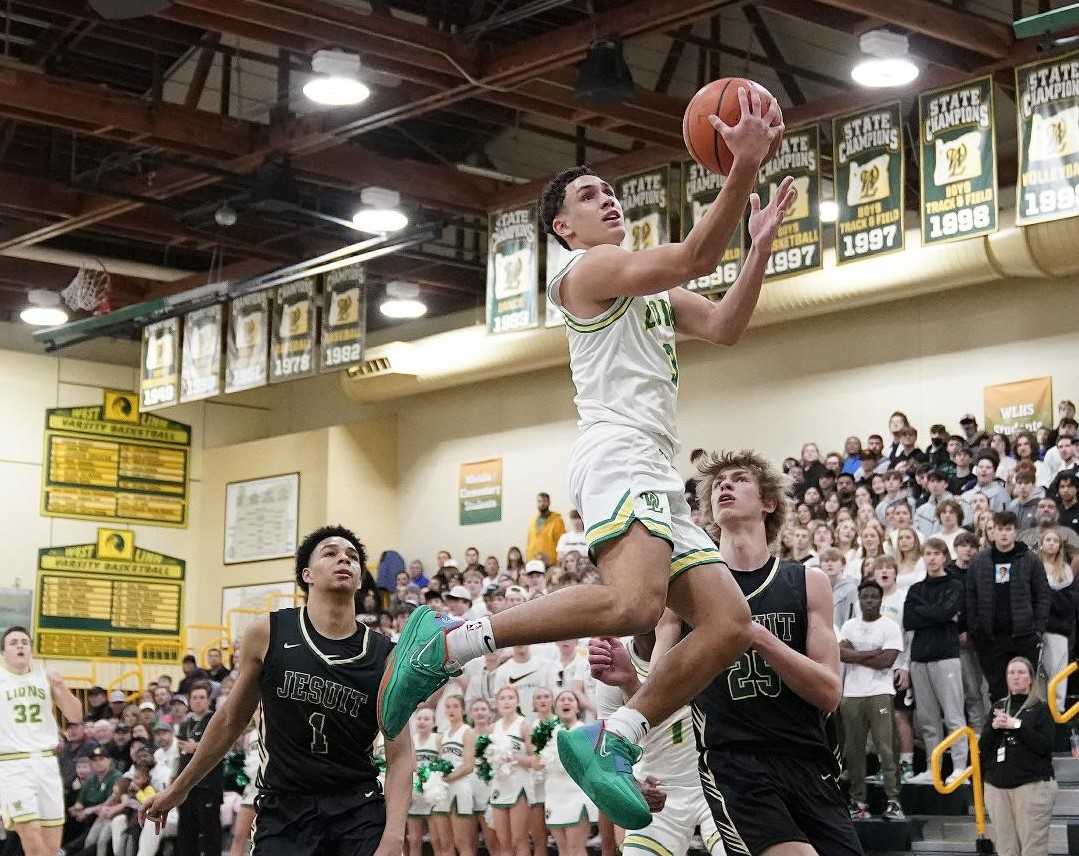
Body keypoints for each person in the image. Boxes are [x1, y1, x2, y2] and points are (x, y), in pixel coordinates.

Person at [377, 87, 795, 830]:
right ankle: (451, 641)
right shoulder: (588, 272)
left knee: (729, 622)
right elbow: (698, 251)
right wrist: (742, 167)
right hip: (616, 454)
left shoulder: (649, 292)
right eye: (588, 195)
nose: (607, 200)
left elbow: (727, 323)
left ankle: (613, 734)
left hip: (655, 467)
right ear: (562, 227)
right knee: (632, 604)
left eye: (610, 191)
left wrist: (757, 247)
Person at [141, 525, 413, 856]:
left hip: (357, 809)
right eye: (331, 553)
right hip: (284, 810)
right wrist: (178, 789)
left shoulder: (385, 654)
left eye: (352, 557)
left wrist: (394, 837)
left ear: (358, 579)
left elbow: (400, 753)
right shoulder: (267, 633)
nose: (344, 558)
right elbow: (230, 721)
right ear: (307, 574)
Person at [674, 450, 864, 850]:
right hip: (734, 764)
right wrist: (627, 680)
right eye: (719, 482)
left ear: (769, 502)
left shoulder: (808, 582)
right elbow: (661, 687)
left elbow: (829, 692)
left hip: (809, 760)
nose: (725, 484)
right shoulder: (688, 591)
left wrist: (757, 636)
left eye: (739, 478)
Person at [589, 620, 723, 856]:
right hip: (657, 788)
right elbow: (608, 749)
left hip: (717, 783)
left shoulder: (705, 645)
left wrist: (632, 683)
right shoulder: (615, 661)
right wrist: (633, 786)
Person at [0, 626, 83, 856]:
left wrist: (61, 688)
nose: (20, 646)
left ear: (31, 650)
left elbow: (76, 716)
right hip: (11, 765)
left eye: (24, 642)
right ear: (3, 652)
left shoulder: (45, 677)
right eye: (13, 642)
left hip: (46, 764)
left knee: (51, 846)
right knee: (31, 834)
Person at [965, 512, 1051, 702]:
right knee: (997, 692)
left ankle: (1027, 730)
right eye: (999, 529)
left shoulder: (1030, 559)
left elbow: (1043, 595)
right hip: (991, 639)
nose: (1004, 534)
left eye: (1008, 529)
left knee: (1029, 692)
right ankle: (1002, 731)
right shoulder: (979, 561)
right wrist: (975, 629)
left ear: (1015, 532)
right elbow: (970, 598)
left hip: (1025, 637)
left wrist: (1037, 628)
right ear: (992, 532)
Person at [903, 539, 967, 785]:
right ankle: (933, 768)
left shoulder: (955, 585)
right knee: (928, 720)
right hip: (919, 658)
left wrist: (927, 613)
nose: (931, 558)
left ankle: (960, 766)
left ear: (945, 557)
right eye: (927, 554)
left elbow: (944, 613)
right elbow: (909, 620)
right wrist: (937, 614)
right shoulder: (915, 589)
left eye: (936, 554)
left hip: (946, 656)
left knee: (953, 715)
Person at [840, 580, 906, 822]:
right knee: (854, 751)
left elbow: (886, 661)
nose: (869, 600)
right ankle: (858, 802)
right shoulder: (848, 625)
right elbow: (840, 653)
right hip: (852, 694)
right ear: (859, 599)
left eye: (873, 597)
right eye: (865, 596)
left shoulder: (889, 626)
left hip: (880, 691)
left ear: (880, 600)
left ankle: (894, 801)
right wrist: (871, 652)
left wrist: (855, 655)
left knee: (887, 748)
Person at [980, 658, 1057, 856]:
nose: (1016, 677)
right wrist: (994, 728)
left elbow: (1045, 746)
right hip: (997, 787)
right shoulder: (998, 706)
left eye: (1021, 672)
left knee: (1033, 848)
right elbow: (983, 748)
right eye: (1011, 672)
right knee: (1006, 849)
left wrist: (1017, 726)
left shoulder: (1040, 708)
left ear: (1031, 679)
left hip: (1031, 786)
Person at [541, 691, 597, 856]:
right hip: (553, 794)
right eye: (562, 700)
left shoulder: (585, 730)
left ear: (577, 707)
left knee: (575, 849)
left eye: (570, 699)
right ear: (555, 707)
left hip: (577, 794)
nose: (566, 702)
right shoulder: (547, 732)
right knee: (563, 850)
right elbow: (538, 762)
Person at [488, 686, 533, 856]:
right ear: (497, 703)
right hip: (499, 785)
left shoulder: (524, 725)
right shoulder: (492, 728)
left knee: (519, 840)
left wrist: (514, 758)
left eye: (510, 698)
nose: (506, 701)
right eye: (502, 698)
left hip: (518, 786)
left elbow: (536, 761)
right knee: (503, 843)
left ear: (517, 701)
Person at [431, 694, 477, 856]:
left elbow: (469, 766)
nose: (451, 710)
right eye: (448, 706)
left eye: (455, 706)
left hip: (459, 788)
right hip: (442, 790)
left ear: (463, 710)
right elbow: (436, 764)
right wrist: (434, 779)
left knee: (461, 841)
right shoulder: (441, 735)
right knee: (445, 843)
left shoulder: (468, 732)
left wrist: (447, 778)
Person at [1040, 528, 1079, 714]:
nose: (1051, 543)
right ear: (1041, 543)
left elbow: (1068, 604)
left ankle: (1058, 715)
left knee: (1057, 678)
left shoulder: (1066, 572)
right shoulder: (1033, 568)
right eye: (1048, 539)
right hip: (1035, 632)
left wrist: (1047, 595)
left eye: (1055, 540)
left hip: (1057, 630)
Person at [526, 493, 565, 565]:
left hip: (550, 562)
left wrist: (556, 562)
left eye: (544, 501)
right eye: (539, 501)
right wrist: (528, 559)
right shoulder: (533, 521)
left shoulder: (557, 520)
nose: (542, 504)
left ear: (549, 502)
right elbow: (529, 542)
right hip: (533, 562)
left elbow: (561, 543)